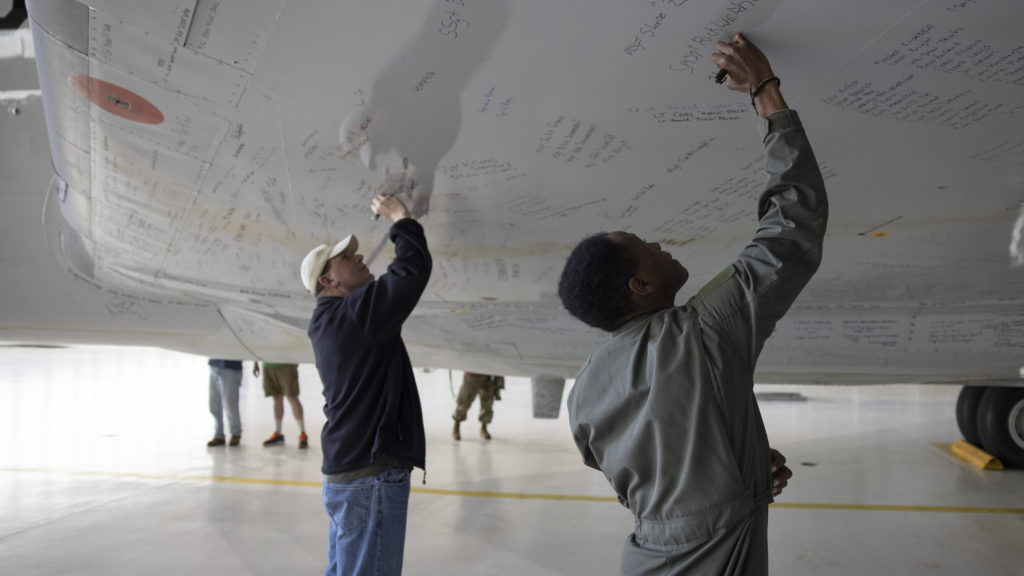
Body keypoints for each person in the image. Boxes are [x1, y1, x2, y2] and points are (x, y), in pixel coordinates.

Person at [558, 34, 826, 575]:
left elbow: (642, 470)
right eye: (645, 249)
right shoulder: (702, 332)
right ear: (639, 286)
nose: (659, 245)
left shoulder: (586, 389)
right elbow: (790, 229)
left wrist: (735, 464)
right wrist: (765, 91)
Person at [302, 191, 431, 576]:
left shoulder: (327, 321)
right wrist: (401, 220)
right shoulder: (353, 314)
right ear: (328, 279)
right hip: (369, 476)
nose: (359, 257)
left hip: (349, 476)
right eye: (345, 258)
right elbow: (409, 274)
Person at [255, 362, 308, 449]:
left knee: (292, 397)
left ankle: (302, 433)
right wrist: (255, 362)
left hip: (285, 363)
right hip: (267, 364)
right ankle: (278, 433)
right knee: (276, 398)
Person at [451, 372, 505, 441]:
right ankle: (456, 426)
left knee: (487, 403)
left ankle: (484, 427)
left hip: (489, 374)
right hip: (473, 372)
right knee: (464, 400)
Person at [207, 359, 244, 447]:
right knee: (214, 404)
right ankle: (218, 434)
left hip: (231, 367)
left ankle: (236, 433)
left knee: (230, 404)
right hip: (214, 364)